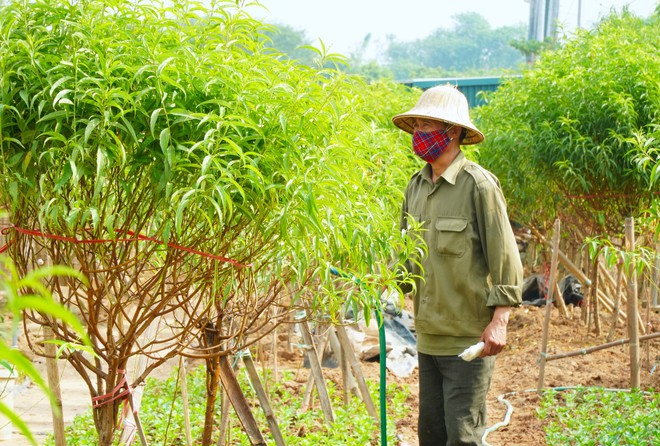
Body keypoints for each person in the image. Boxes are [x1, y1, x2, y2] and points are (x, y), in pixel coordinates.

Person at [392, 84, 523, 446]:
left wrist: (500, 322)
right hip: (428, 335)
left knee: (463, 437)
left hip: (468, 340)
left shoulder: (478, 186)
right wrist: (382, 283)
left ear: (451, 131)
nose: (418, 133)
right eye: (415, 124)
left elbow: (505, 257)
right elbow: (405, 258)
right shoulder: (415, 187)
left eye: (425, 125)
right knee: (431, 435)